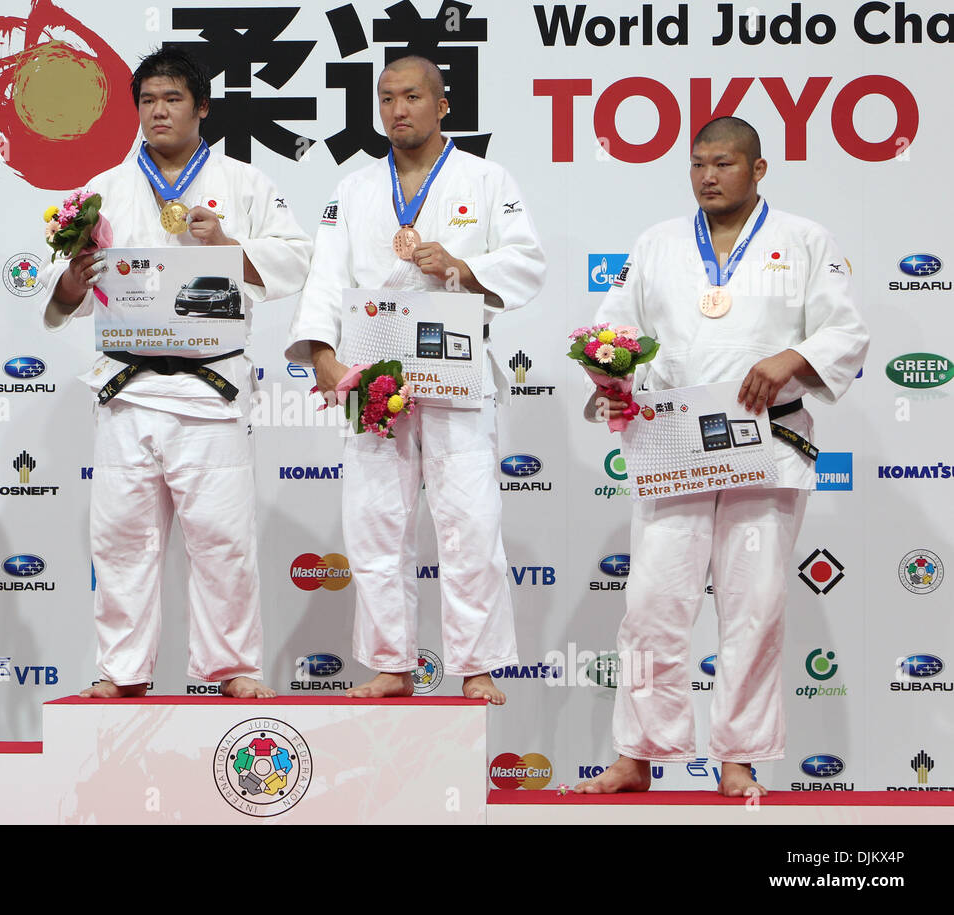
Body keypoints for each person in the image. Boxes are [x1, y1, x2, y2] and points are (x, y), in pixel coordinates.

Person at [573, 117, 868, 796]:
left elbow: (845, 329)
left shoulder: (804, 240)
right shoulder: (658, 244)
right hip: (676, 446)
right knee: (650, 603)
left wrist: (792, 356)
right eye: (699, 163)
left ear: (758, 170)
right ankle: (638, 753)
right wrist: (613, 383)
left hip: (767, 446)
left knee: (754, 605)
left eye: (725, 163)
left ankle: (739, 755)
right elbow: (615, 333)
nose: (709, 175)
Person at [37, 47, 311, 699]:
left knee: (223, 542)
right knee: (122, 541)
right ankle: (123, 669)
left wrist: (224, 246)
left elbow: (298, 259)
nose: (159, 111)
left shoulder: (244, 184)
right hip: (127, 389)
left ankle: (232, 666)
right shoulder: (100, 192)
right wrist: (72, 279)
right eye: (149, 101)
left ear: (202, 107)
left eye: (173, 99)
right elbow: (61, 295)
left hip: (207, 387)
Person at [285, 55, 546, 704]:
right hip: (374, 370)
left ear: (442, 104)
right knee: (375, 522)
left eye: (411, 96)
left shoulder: (486, 179)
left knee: (471, 521)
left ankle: (478, 663)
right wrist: (319, 353)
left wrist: (463, 262)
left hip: (455, 368)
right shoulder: (352, 189)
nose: (398, 109)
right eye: (386, 98)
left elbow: (527, 262)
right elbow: (325, 275)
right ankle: (390, 663)